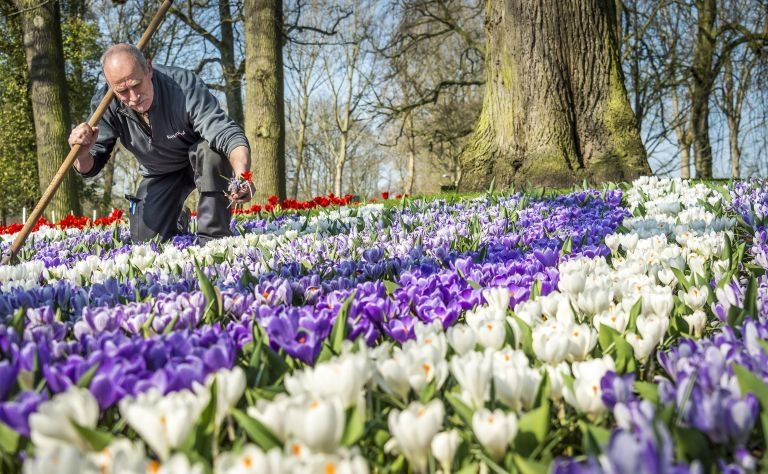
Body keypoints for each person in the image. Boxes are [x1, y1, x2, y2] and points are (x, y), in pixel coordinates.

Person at [68, 43, 254, 245]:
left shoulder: (183, 85)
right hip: (159, 171)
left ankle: (213, 239)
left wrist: (242, 175)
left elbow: (226, 133)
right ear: (109, 84)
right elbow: (90, 167)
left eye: (136, 84)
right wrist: (82, 154)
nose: (134, 97)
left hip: (199, 159)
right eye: (122, 91)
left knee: (212, 150)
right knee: (148, 242)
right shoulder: (104, 105)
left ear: (149, 68)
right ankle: (178, 218)